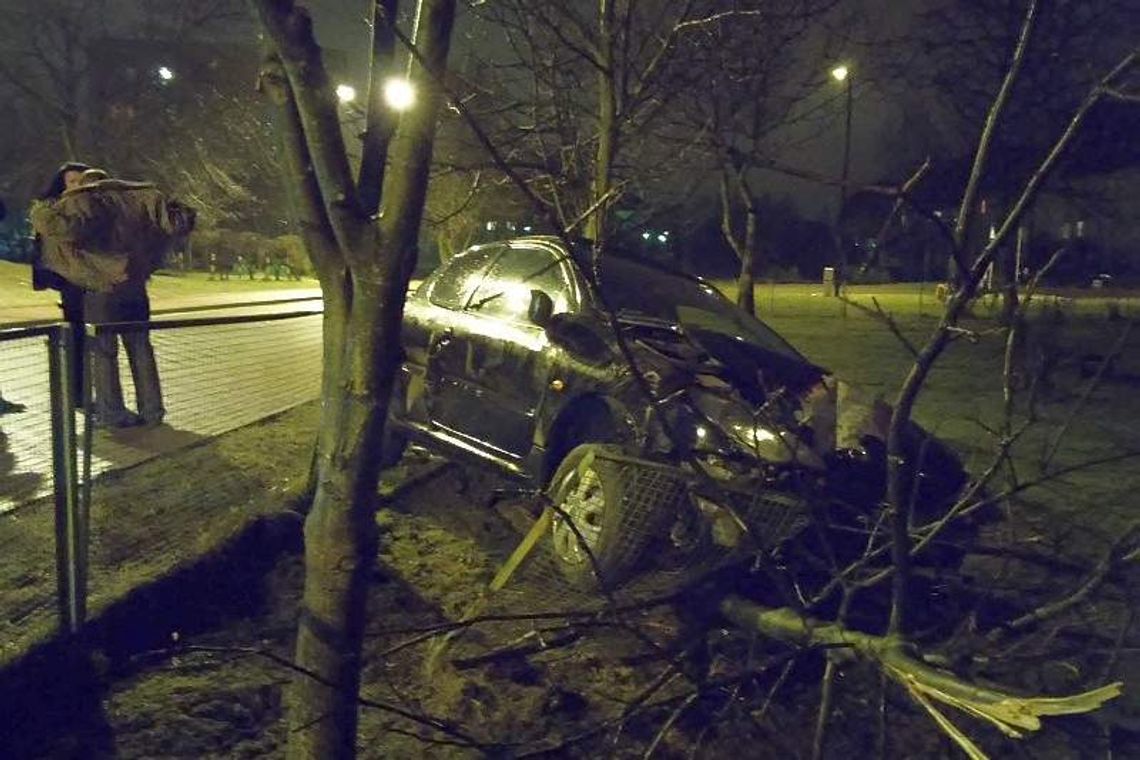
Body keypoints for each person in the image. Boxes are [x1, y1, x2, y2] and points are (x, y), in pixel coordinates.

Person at [30, 168, 196, 428]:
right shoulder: (137, 201)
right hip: (135, 287)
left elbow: (69, 230)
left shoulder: (84, 202)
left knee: (103, 351)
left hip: (102, 288)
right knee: (140, 348)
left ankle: (112, 413)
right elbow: (179, 222)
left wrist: (41, 213)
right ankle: (152, 410)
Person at [31, 162, 91, 405]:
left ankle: (89, 390)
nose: (76, 186)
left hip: (93, 281)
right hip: (71, 281)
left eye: (81, 181)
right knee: (76, 337)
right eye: (71, 181)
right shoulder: (54, 211)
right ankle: (76, 392)